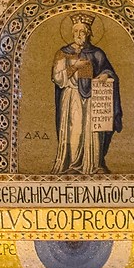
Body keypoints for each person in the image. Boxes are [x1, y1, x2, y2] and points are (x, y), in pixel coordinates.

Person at [52, 17, 121, 175]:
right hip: (72, 95)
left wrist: (105, 75)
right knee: (75, 128)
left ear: (88, 33)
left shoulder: (96, 53)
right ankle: (73, 165)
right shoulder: (64, 53)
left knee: (93, 130)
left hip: (92, 97)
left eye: (82, 31)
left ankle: (94, 164)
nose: (79, 34)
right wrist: (75, 66)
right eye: (76, 31)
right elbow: (57, 77)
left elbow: (108, 71)